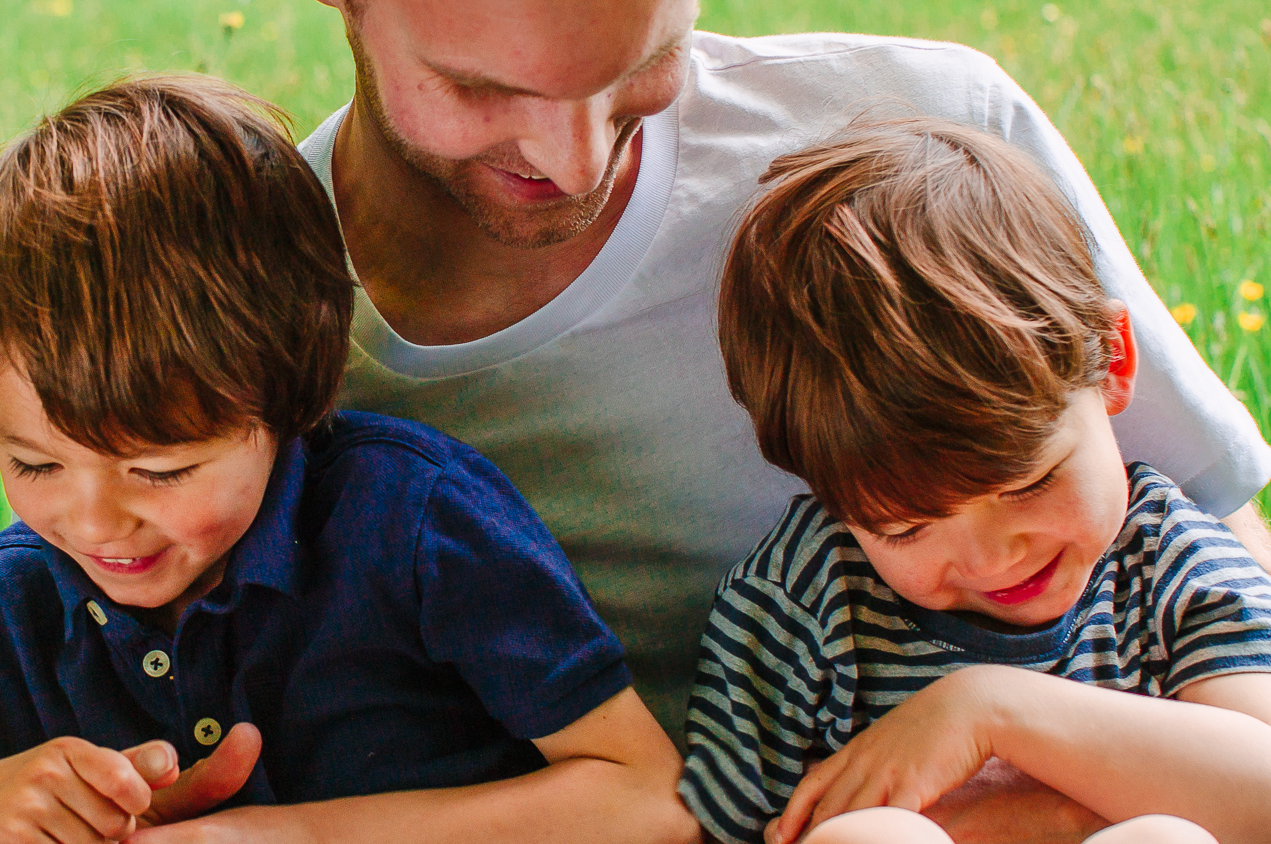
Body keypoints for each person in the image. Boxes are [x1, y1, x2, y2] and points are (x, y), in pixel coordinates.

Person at [299, 1, 1271, 835]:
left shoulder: (934, 135)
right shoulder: (220, 314)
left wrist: (1008, 725)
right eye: (482, 88)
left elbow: (1221, 540)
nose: (578, 158)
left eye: (643, 68)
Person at [0, 74, 697, 844]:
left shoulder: (414, 526)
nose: (91, 524)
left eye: (162, 471)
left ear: (295, 393)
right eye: (36, 465)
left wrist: (295, 836)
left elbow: (649, 800)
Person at [676, 118, 1271, 844]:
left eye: (1027, 483)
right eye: (906, 528)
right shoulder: (802, 599)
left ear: (1112, 361)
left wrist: (991, 711)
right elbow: (718, 831)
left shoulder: (1167, 558)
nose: (994, 558)